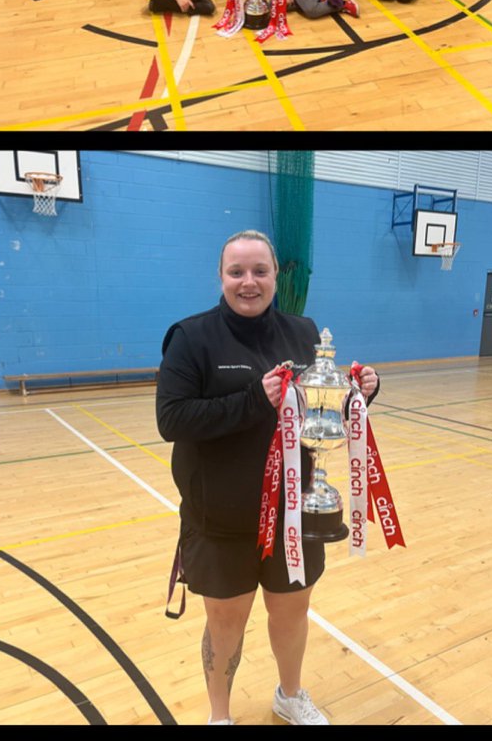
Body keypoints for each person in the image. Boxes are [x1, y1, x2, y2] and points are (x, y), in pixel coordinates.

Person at [156, 230, 380, 726]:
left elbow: (317, 415)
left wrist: (361, 394)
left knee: (291, 612)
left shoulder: (303, 332)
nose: (249, 282)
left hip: (292, 514)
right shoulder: (191, 337)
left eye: (260, 271)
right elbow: (171, 421)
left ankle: (289, 694)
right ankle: (219, 716)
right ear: (221, 277)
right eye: (237, 271)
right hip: (222, 520)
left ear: (277, 276)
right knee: (226, 624)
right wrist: (254, 399)